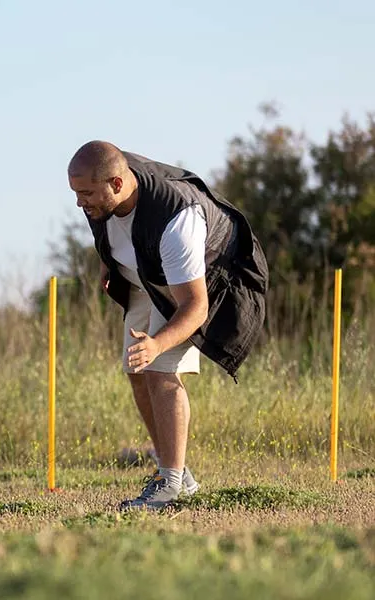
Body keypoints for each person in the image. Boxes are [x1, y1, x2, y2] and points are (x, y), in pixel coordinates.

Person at [67, 140, 268, 510]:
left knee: (159, 368)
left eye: (86, 194)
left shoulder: (177, 222)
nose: (80, 202)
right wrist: (109, 263)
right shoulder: (102, 188)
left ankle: (171, 486)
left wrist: (158, 343)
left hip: (197, 280)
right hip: (148, 270)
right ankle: (173, 473)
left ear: (116, 183)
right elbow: (112, 227)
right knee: (136, 367)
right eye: (76, 193)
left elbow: (194, 307)